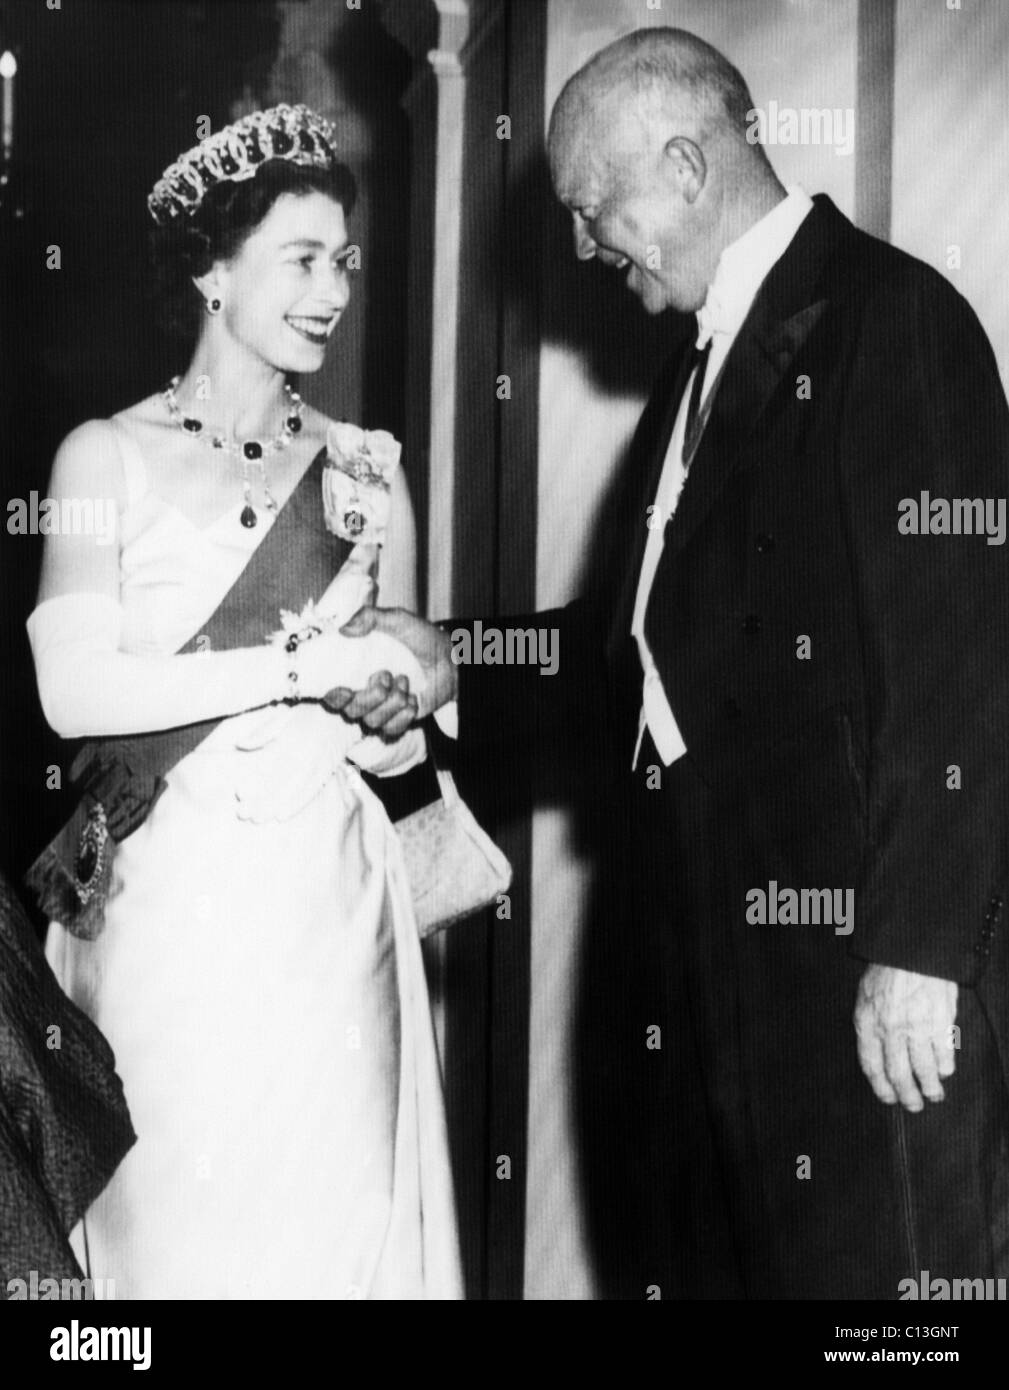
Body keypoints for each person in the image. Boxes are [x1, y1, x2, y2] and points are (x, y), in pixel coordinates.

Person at [339, 30, 1009, 1298]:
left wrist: (920, 950)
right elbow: (632, 662)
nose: (588, 248)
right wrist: (454, 664)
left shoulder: (891, 320)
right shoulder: (690, 384)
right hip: (716, 975)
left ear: (689, 164)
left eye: (597, 210)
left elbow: (963, 658)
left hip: (859, 973)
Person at [25, 104, 461, 1299]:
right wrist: (293, 667)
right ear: (214, 271)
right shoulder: (96, 457)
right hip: (168, 919)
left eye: (345, 260)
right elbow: (71, 693)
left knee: (337, 1232)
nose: (335, 290)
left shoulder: (369, 466)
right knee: (176, 1242)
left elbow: (391, 736)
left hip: (332, 909)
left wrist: (403, 692)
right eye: (302, 260)